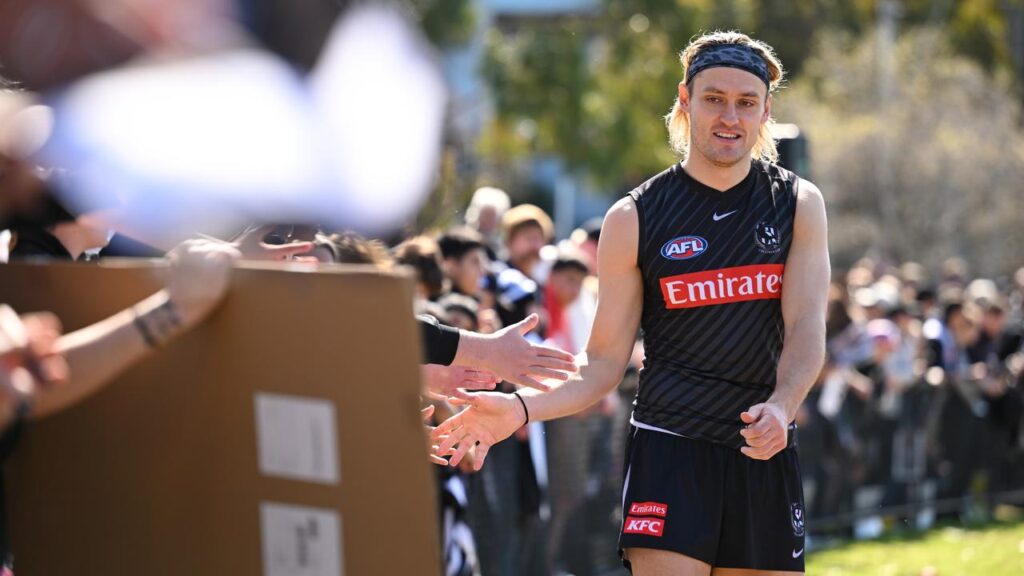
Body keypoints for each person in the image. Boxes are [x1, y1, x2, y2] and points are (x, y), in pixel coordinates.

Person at [433, 30, 829, 576]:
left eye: (746, 103)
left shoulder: (797, 203)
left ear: (765, 112)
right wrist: (519, 409)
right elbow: (600, 367)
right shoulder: (635, 216)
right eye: (713, 98)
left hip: (761, 448)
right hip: (670, 448)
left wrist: (783, 406)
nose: (729, 117)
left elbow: (808, 327)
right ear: (685, 101)